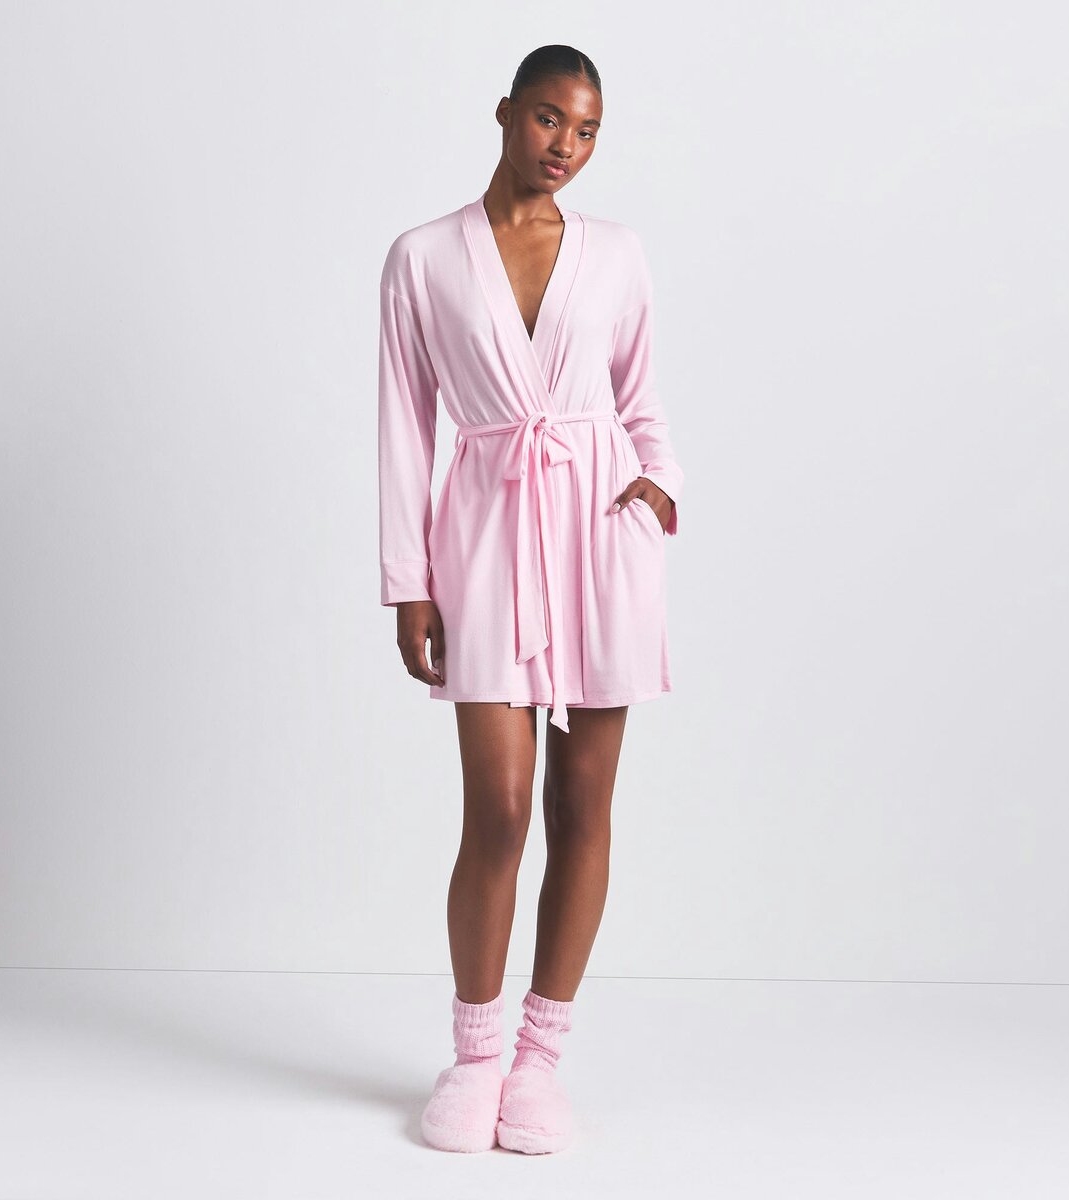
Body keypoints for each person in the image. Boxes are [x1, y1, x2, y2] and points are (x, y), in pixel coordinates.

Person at [377, 45, 684, 1155]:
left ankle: (538, 1066)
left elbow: (643, 398)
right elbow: (405, 423)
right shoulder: (422, 258)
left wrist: (660, 484)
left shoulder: (619, 254)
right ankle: (474, 1058)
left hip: (601, 532)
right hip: (486, 536)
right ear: (506, 112)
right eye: (550, 118)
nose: (566, 145)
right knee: (500, 808)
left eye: (588, 130)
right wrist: (407, 581)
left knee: (582, 807)